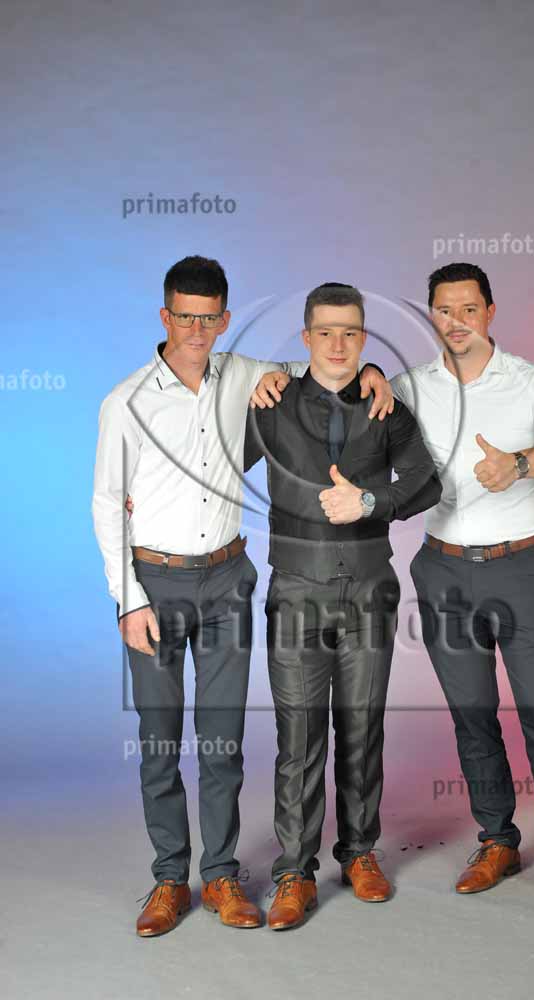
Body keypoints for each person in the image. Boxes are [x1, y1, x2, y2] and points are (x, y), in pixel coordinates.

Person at [92, 256, 392, 937]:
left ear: (224, 320)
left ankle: (222, 874)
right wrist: (128, 599)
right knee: (160, 741)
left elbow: (323, 365)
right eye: (184, 317)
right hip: (155, 584)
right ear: (164, 317)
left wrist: (371, 371)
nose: (196, 331)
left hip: (227, 580)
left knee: (221, 741)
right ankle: (170, 879)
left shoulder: (248, 376)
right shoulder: (126, 402)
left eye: (208, 319)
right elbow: (108, 504)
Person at [392, 262, 534, 915]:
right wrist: (364, 375)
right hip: (443, 569)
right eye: (444, 310)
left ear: (489, 312)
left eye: (469, 308)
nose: (456, 321)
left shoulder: (530, 380)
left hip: (522, 567)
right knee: (472, 713)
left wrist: (520, 463)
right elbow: (344, 402)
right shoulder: (409, 386)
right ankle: (497, 840)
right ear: (430, 316)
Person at [244, 282, 442, 930]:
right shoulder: (271, 402)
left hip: (367, 592)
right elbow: (211, 457)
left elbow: (427, 482)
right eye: (325, 332)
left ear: (363, 339)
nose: (337, 344)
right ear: (306, 338)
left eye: (350, 333)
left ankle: (358, 852)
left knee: (361, 729)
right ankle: (294, 871)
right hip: (295, 592)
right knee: (298, 737)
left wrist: (371, 502)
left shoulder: (386, 407)